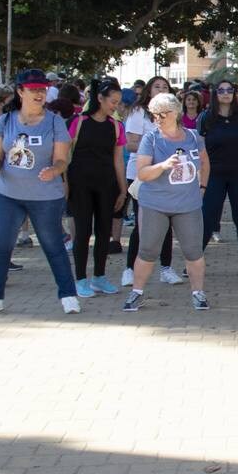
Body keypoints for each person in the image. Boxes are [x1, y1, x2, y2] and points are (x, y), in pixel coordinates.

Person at [0, 70, 78, 316]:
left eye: (42, 89)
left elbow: (62, 159)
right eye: (33, 89)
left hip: (46, 197)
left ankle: (68, 295)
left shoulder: (54, 122)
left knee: (53, 245)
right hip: (8, 193)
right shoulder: (5, 120)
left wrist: (54, 170)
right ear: (20, 92)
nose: (39, 94)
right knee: (0, 245)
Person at [122, 94, 211, 311]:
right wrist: (162, 166)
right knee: (148, 250)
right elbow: (142, 173)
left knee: (193, 251)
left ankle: (198, 293)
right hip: (155, 204)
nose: (159, 119)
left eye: (163, 114)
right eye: (155, 115)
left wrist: (202, 188)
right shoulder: (150, 138)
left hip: (188, 205)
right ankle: (136, 293)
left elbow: (205, 162)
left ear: (176, 113)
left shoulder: (193, 136)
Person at [66, 78, 126, 297]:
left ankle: (99, 277)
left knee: (104, 232)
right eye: (113, 101)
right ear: (99, 98)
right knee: (82, 231)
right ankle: (80, 279)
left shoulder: (116, 126)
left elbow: (118, 159)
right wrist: (64, 184)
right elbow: (64, 154)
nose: (115, 106)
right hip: (79, 184)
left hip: (106, 184)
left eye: (119, 102)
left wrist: (122, 189)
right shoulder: (78, 121)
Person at [122, 77, 179, 288]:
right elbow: (130, 143)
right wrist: (156, 152)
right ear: (149, 90)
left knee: (168, 222)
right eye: (157, 87)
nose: (161, 90)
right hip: (142, 173)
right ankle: (130, 269)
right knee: (142, 224)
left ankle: (166, 268)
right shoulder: (139, 113)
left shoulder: (174, 115)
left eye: (165, 87)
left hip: (168, 175)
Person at [198, 80, 238, 278]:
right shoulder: (206, 118)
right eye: (220, 90)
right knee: (208, 217)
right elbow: (200, 149)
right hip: (214, 174)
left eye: (229, 90)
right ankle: (194, 261)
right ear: (215, 94)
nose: (225, 93)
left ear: (234, 94)